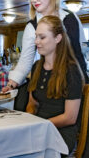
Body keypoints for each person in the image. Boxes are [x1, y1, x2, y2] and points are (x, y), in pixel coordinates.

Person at [4, 0, 88, 91]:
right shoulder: (32, 26)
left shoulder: (71, 17)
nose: (35, 0)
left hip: (78, 80)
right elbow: (24, 62)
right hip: (55, 84)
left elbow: (83, 48)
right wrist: (10, 85)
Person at [27, 15, 84, 155]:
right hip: (40, 128)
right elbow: (32, 104)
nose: (36, 42)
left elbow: (70, 117)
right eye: (36, 37)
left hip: (61, 133)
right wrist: (26, 124)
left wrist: (40, 126)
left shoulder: (71, 71)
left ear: (58, 38)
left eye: (42, 37)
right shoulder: (36, 67)